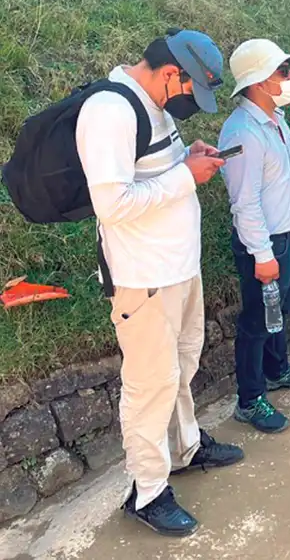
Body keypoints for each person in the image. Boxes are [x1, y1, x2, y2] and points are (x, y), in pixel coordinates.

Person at [76, 29, 244, 537]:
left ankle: (184, 446)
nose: (195, 102)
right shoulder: (110, 111)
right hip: (143, 279)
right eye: (194, 90)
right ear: (172, 72)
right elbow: (114, 204)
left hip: (178, 268)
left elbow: (151, 172)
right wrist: (186, 177)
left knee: (180, 367)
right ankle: (147, 491)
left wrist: (185, 156)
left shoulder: (157, 103)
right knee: (150, 386)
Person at [218, 39, 290, 435]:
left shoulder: (275, 119)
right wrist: (262, 254)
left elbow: (285, 179)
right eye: (283, 72)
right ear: (259, 82)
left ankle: (277, 370)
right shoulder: (242, 132)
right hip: (265, 245)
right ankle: (250, 399)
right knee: (257, 323)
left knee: (280, 312)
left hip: (289, 234)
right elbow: (245, 202)